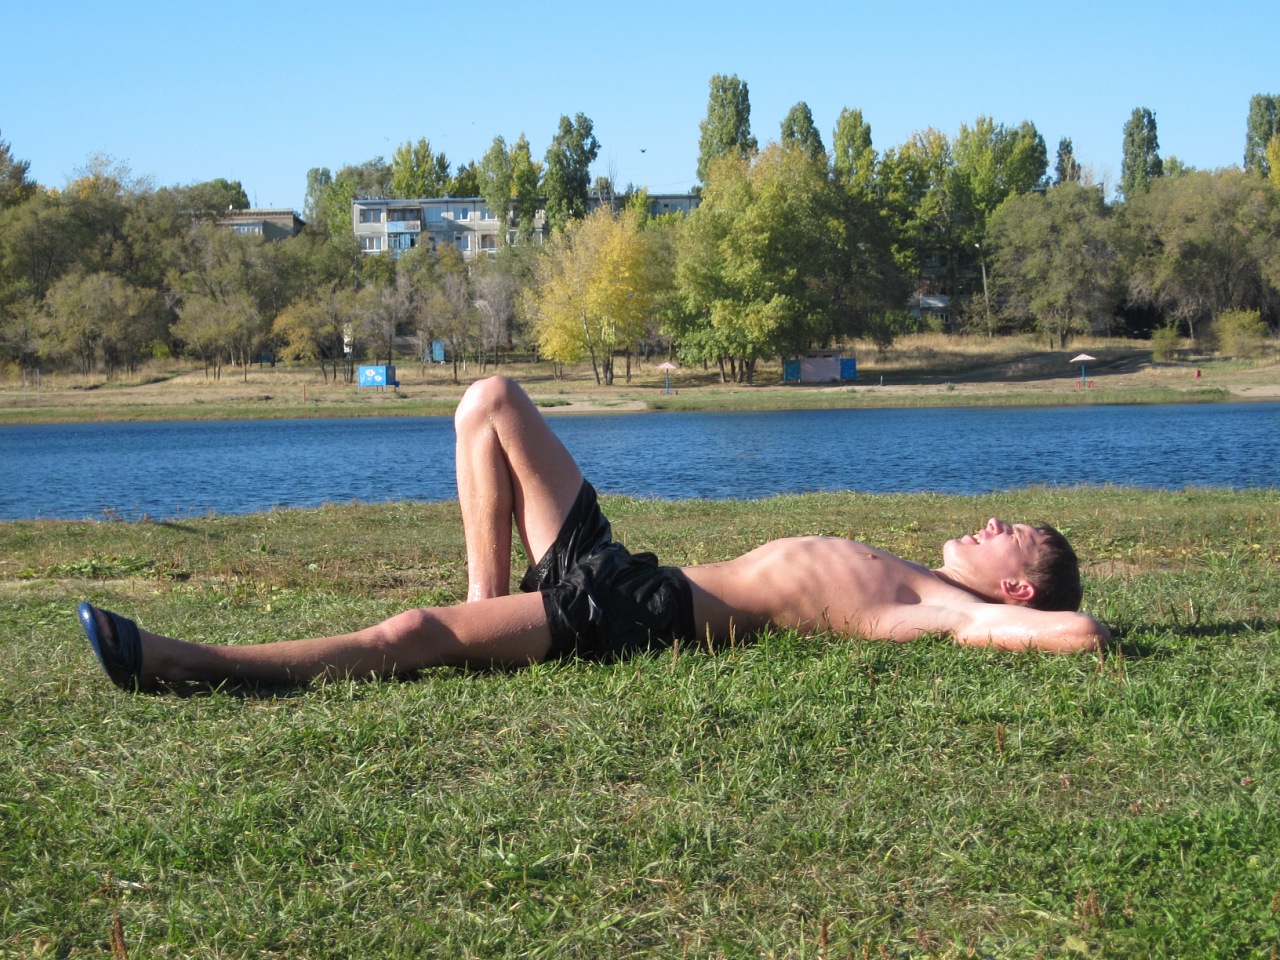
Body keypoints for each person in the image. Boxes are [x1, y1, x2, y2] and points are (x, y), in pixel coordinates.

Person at [78, 376, 1109, 691]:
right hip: (628, 574)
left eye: (1012, 535)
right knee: (488, 403)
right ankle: (488, 607)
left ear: (1018, 589)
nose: (991, 522)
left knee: (412, 635)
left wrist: (1060, 625)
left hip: (640, 614)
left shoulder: (946, 610)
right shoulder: (921, 578)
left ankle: (190, 663)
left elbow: (1078, 634)